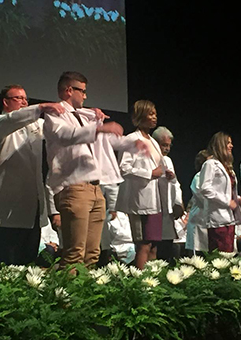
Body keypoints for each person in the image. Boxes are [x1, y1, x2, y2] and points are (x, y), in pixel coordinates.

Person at [44, 71, 143, 269]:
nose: (85, 96)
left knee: (92, 253)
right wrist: (99, 128)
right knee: (74, 252)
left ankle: (85, 298)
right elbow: (66, 135)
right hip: (74, 188)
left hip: (95, 189)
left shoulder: (85, 117)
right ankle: (67, 299)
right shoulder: (55, 114)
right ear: (69, 90)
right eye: (83, 91)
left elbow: (105, 142)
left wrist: (133, 145)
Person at [0, 84, 64, 266]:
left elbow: (61, 130)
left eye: (25, 99)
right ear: (5, 102)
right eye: (18, 98)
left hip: (31, 209)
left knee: (28, 265)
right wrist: (41, 107)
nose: (24, 102)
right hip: (7, 210)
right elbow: (16, 118)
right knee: (7, 267)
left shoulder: (36, 125)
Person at [115, 100, 170, 269]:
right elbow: (123, 168)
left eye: (155, 113)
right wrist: (149, 173)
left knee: (153, 244)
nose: (155, 117)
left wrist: (165, 172)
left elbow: (156, 165)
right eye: (150, 114)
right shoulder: (131, 139)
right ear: (140, 116)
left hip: (155, 199)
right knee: (143, 244)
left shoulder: (153, 142)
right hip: (139, 200)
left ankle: (152, 281)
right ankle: (140, 284)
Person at [199, 132, 241, 253]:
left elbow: (228, 189)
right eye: (228, 143)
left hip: (229, 218)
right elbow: (205, 188)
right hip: (217, 218)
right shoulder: (210, 164)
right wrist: (226, 202)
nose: (231, 146)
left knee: (229, 254)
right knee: (220, 256)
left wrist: (238, 199)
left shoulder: (227, 167)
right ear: (220, 145)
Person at [151, 126, 184, 265]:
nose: (167, 149)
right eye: (164, 145)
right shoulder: (150, 159)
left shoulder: (168, 160)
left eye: (169, 145)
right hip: (153, 207)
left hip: (168, 211)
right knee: (153, 247)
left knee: (167, 247)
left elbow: (176, 184)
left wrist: (178, 203)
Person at [185, 149, 211, 254]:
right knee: (198, 254)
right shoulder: (198, 177)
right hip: (199, 219)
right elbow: (203, 198)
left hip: (209, 221)